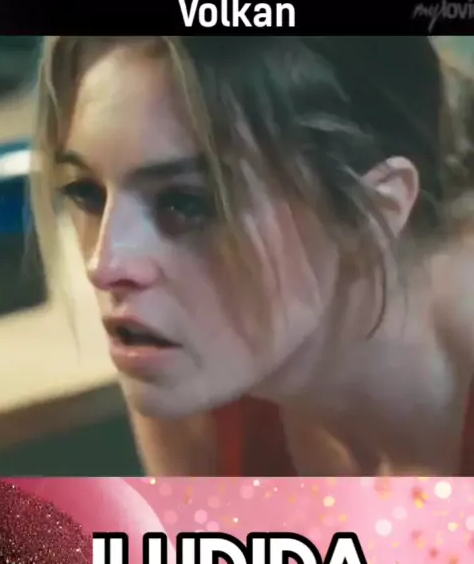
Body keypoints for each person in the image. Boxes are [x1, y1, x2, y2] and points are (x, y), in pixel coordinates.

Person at [31, 35, 474, 476]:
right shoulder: (187, 357)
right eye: (85, 192)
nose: (104, 266)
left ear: (369, 215)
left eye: (185, 203)